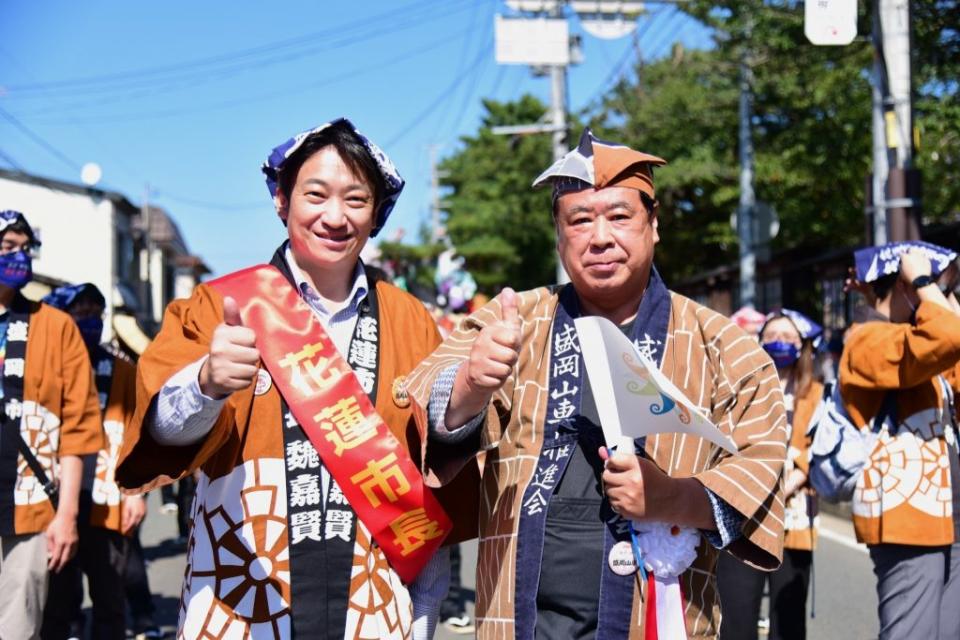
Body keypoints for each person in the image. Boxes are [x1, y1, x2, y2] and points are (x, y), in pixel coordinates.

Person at [404, 130, 787, 639]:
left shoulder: (725, 347)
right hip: (518, 617)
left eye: (619, 216)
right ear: (560, 238)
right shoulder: (513, 320)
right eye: (579, 221)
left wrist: (671, 498)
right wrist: (471, 385)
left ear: (654, 225)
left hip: (658, 618)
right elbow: (423, 406)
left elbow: (758, 471)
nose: (600, 237)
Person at [116, 118, 478, 639]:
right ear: (281, 200)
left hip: (371, 607)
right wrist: (208, 383)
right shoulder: (221, 305)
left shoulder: (409, 318)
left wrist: (475, 388)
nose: (335, 216)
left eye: (356, 199)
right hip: (243, 599)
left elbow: (435, 466)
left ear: (377, 213)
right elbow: (159, 436)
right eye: (316, 194)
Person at [841, 242, 960, 640]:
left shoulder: (921, 347)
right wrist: (925, 281)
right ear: (906, 287)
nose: (942, 298)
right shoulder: (866, 340)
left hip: (950, 522)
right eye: (934, 288)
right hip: (907, 522)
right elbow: (951, 337)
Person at [0, 210, 102, 638]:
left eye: (26, 248)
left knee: (18, 627)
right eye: (8, 247)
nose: (19, 257)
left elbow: (77, 425)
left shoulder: (57, 327)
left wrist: (67, 517)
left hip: (28, 504)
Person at [39, 283, 145, 640]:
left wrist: (137, 492)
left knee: (109, 597)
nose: (89, 321)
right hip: (54, 497)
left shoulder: (124, 371)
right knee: (56, 602)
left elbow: (140, 434)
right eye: (80, 313)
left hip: (106, 495)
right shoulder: (46, 369)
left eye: (95, 314)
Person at [717, 308, 824, 640]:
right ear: (757, 343)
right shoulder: (736, 388)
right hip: (743, 515)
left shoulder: (818, 393)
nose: (780, 343)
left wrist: (787, 483)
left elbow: (820, 448)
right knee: (736, 617)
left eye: (788, 337)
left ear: (803, 345)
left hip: (794, 519)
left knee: (788, 620)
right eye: (772, 337)